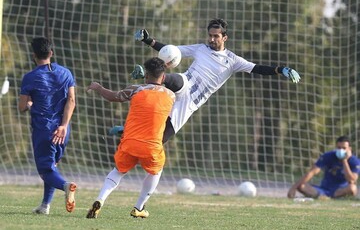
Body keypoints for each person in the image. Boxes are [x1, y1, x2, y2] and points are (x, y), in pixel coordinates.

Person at [133, 18, 301, 143]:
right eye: (210, 36)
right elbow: (172, 51)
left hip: (191, 102)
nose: (212, 39)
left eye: (216, 36)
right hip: (186, 83)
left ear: (224, 38)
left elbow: (257, 68)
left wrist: (281, 70)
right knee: (179, 80)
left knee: (159, 139)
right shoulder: (200, 49)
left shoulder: (233, 60)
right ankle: (149, 76)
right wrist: (147, 40)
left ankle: (129, 134)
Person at [86, 57, 175, 219]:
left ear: (146, 75)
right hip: (152, 145)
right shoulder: (171, 95)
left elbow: (113, 96)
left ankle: (100, 199)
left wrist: (98, 87)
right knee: (156, 172)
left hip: (130, 142)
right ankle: (139, 207)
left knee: (118, 171)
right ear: (163, 77)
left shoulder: (135, 89)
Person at [18, 37, 77, 215]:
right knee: (51, 167)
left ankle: (66, 186)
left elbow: (22, 107)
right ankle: (45, 205)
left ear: (34, 55)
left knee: (45, 170)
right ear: (51, 53)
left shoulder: (30, 77)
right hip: (63, 130)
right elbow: (72, 100)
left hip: (44, 130)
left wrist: (29, 105)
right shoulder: (66, 73)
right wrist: (64, 125)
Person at [287, 136, 360, 199]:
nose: (341, 150)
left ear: (349, 149)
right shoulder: (328, 156)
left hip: (339, 190)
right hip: (323, 189)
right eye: (339, 148)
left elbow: (352, 180)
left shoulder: (355, 161)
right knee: (301, 186)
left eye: (344, 148)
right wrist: (294, 188)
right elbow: (312, 172)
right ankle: (323, 196)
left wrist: (344, 161)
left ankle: (330, 197)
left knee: (352, 188)